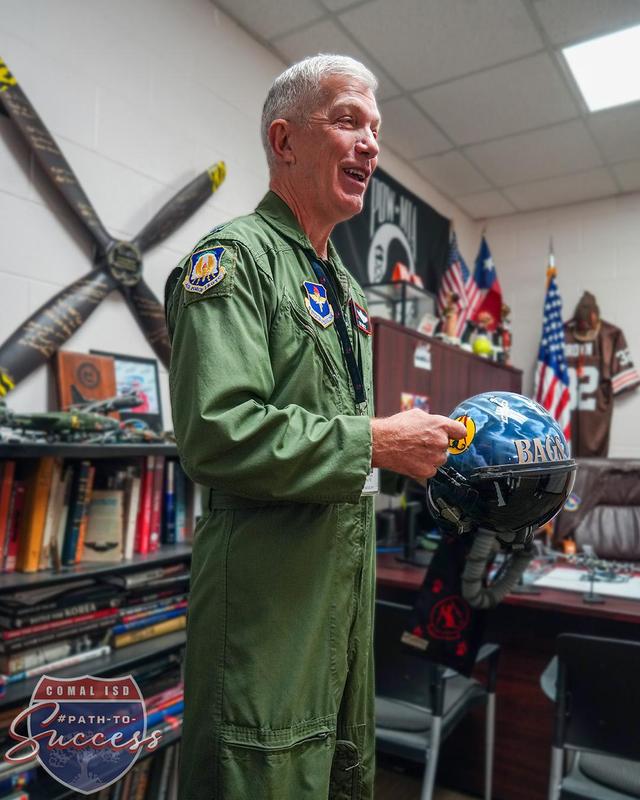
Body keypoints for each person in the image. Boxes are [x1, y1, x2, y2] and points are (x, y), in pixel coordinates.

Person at [166, 54, 467, 800]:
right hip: (266, 628)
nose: (370, 144)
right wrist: (374, 441)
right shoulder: (233, 260)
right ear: (284, 140)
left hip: (339, 613)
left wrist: (384, 433)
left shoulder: (343, 287)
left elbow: (322, 426)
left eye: (376, 129)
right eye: (347, 121)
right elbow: (219, 433)